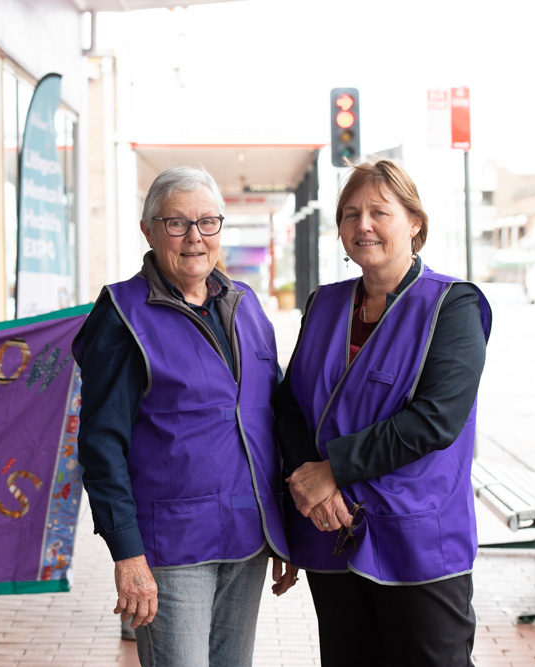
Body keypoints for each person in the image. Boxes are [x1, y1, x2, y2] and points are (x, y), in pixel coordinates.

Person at [73, 166, 297, 665]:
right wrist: (127, 553)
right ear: (149, 230)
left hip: (248, 536)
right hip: (172, 550)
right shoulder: (123, 314)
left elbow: (273, 419)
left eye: (207, 222)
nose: (195, 237)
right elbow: (100, 446)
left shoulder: (246, 306)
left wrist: (285, 530)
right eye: (176, 223)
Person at [275, 159, 492, 667]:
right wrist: (311, 482)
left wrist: (331, 471)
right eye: (351, 214)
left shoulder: (452, 307)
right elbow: (289, 403)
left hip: (417, 536)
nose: (363, 225)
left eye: (379, 211)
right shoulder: (324, 305)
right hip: (332, 528)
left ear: (414, 222)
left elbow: (434, 420)